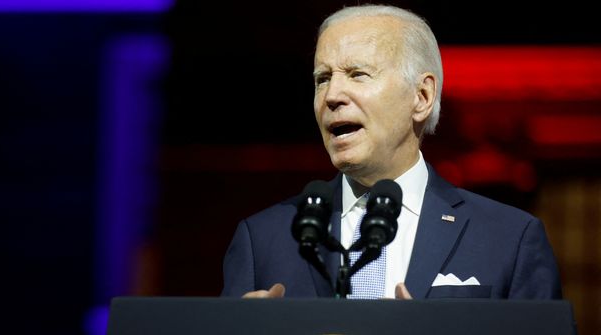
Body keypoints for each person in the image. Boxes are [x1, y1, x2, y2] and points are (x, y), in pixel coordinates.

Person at [221, 4, 561, 300]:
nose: (332, 95)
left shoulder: (509, 238)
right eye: (322, 78)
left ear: (422, 97)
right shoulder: (264, 239)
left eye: (358, 74)